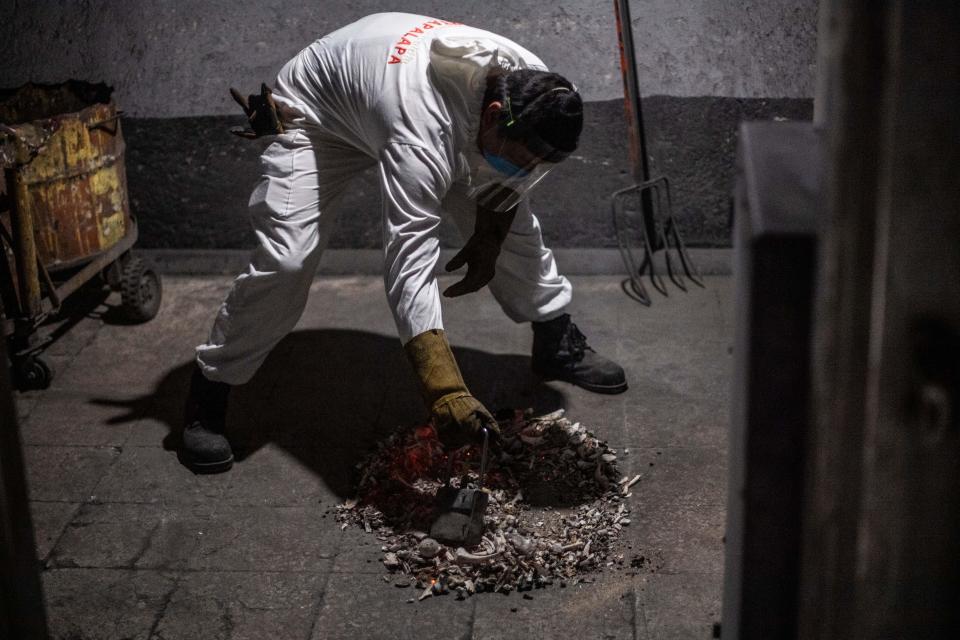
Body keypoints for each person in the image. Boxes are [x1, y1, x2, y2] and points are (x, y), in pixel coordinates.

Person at [181, 12, 628, 473]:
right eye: (518, 158)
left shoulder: (541, 91)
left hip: (405, 103)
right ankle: (208, 392)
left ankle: (556, 340)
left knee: (517, 227)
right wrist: (444, 388)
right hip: (320, 114)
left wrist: (492, 228)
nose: (524, 169)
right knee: (288, 260)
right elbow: (410, 259)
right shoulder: (421, 132)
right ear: (494, 116)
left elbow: (516, 172)